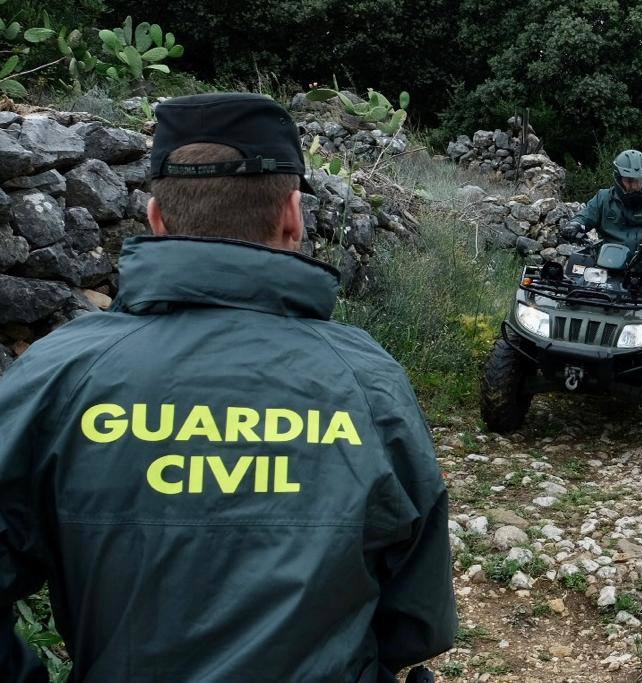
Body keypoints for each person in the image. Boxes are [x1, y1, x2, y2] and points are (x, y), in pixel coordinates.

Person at [0, 92, 457, 682]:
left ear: (157, 221)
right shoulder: (367, 381)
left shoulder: (58, 374)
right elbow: (418, 623)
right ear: (293, 216)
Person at [562, 149, 642, 287]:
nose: (636, 186)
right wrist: (574, 225)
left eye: (640, 181)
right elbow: (585, 215)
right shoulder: (603, 198)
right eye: (630, 181)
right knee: (578, 293)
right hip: (606, 266)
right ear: (618, 179)